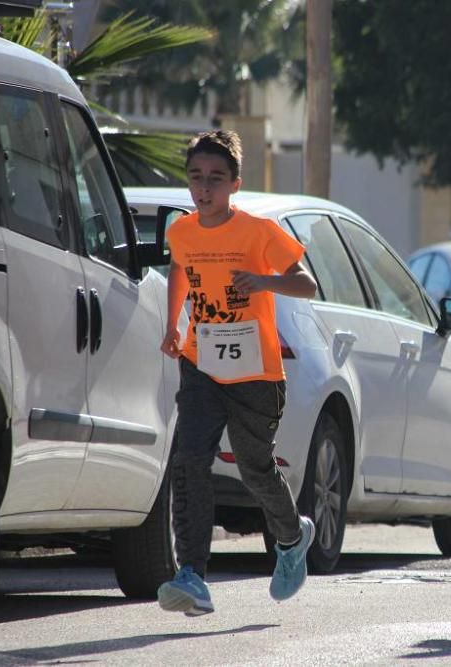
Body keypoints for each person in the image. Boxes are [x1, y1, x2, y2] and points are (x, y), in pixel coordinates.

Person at [158, 130, 318, 616]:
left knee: (254, 468)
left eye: (215, 179)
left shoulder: (256, 231)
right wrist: (172, 325)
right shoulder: (181, 232)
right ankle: (192, 575)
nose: (204, 188)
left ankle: (292, 537)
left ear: (234, 185)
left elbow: (306, 284)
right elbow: (180, 272)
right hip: (201, 363)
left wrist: (264, 280)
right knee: (189, 462)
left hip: (255, 372)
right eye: (196, 178)